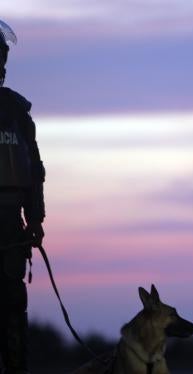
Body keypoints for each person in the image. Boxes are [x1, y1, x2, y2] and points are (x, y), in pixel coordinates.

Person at [0, 20, 45, 374]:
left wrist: (36, 221)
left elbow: (34, 172)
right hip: (14, 226)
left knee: (13, 307)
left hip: (12, 229)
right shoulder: (17, 111)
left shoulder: (17, 111)